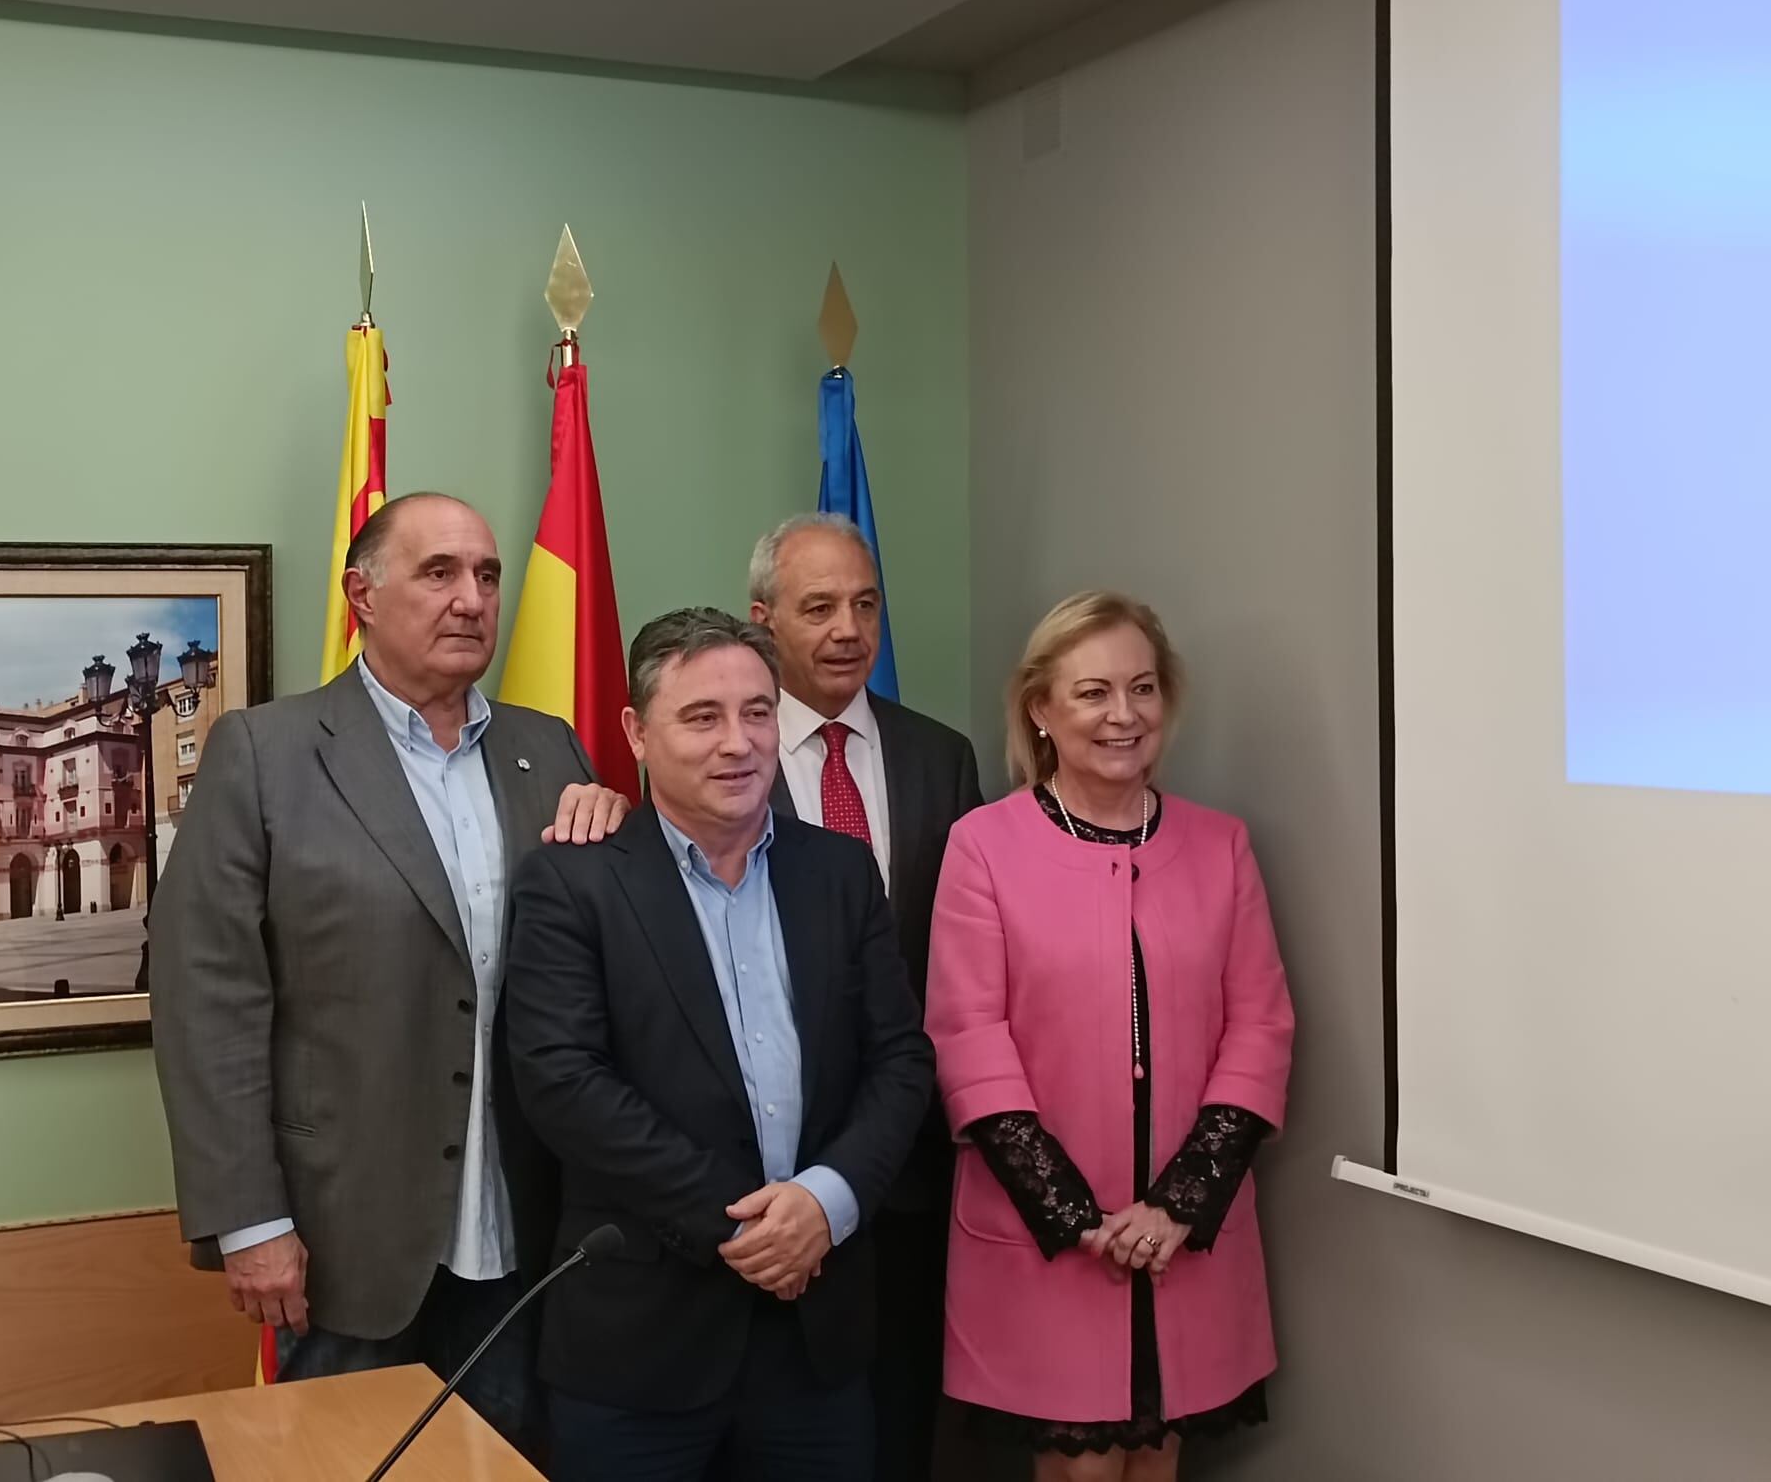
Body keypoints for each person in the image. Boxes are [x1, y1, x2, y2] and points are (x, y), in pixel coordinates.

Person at [148, 492, 630, 1455]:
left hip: (521, 1232)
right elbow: (207, 1001)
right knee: (342, 1465)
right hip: (343, 1242)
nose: (471, 599)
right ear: (361, 595)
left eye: (487, 576)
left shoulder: (550, 750)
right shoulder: (266, 754)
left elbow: (595, 971)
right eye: (438, 572)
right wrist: (249, 1221)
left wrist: (621, 836)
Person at [503, 607, 935, 1482]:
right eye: (702, 717)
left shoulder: (841, 872)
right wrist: (746, 1225)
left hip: (817, 1333)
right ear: (637, 733)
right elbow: (563, 1082)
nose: (737, 743)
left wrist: (823, 1205)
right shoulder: (572, 881)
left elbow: (901, 1061)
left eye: (757, 712)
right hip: (640, 1345)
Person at [925, 591, 1295, 1482]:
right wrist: (1081, 1219)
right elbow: (968, 1039)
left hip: (1187, 1244)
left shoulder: (1222, 846)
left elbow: (1261, 1026)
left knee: (1158, 1463)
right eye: (1092, 692)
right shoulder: (982, 845)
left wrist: (1176, 1206)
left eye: (1142, 688)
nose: (1122, 714)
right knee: (1082, 1472)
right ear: (1041, 711)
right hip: (1046, 1240)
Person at [746, 511, 982, 1481]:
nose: (848, 630)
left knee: (898, 1425)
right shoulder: (725, 751)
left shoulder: (940, 756)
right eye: (818, 608)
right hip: (774, 1175)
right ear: (763, 620)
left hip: (913, 1162)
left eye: (865, 605)